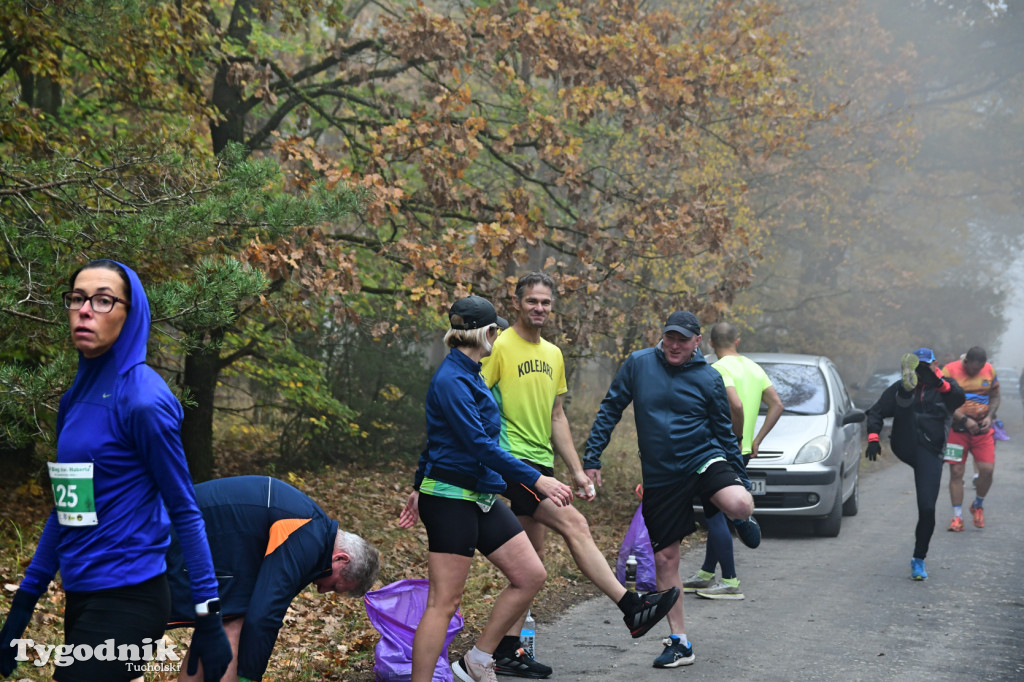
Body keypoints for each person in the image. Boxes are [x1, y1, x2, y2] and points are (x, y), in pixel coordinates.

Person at [0, 260, 232, 682]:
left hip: (131, 596)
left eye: (104, 300)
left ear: (131, 313)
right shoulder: (75, 399)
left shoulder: (143, 400)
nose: (85, 310)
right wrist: (23, 608)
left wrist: (209, 616)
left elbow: (185, 508)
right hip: (82, 594)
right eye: (77, 298)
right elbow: (67, 507)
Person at [481, 273, 679, 678]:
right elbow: (476, 402)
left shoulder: (553, 354)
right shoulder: (498, 346)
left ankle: (506, 650)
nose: (539, 308)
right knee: (575, 523)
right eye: (532, 301)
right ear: (516, 303)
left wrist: (576, 471)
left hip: (541, 463)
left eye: (546, 302)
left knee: (531, 565)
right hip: (511, 463)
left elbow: (556, 417)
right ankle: (632, 607)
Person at [398, 295, 575, 682]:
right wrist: (536, 478)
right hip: (449, 499)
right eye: (496, 328)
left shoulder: (471, 373)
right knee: (444, 603)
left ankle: (479, 657)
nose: (499, 333)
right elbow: (478, 445)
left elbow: (436, 438)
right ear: (487, 332)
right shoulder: (452, 379)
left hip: (479, 495)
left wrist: (415, 484)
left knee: (531, 574)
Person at [583, 311, 760, 669]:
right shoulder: (638, 364)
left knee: (740, 502)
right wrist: (592, 457)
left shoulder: (709, 379)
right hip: (661, 475)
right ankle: (679, 642)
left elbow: (725, 434)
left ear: (698, 342)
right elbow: (611, 408)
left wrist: (738, 474)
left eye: (683, 339)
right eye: (669, 338)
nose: (674, 345)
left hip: (702, 458)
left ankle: (737, 518)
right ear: (662, 336)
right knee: (666, 559)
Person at [165, 475, 381, 682]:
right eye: (334, 586)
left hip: (191, 530)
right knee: (235, 624)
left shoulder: (314, 531)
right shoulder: (308, 536)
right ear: (341, 558)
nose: (323, 591)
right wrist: (249, 676)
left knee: (222, 620)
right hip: (176, 532)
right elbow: (265, 613)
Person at [683, 322, 783, 600]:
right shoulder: (754, 368)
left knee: (715, 514)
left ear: (710, 344)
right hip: (743, 451)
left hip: (720, 450)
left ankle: (729, 580)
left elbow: (734, 404)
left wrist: (735, 436)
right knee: (720, 512)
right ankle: (705, 574)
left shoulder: (717, 369)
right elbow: (778, 404)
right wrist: (756, 439)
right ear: (737, 341)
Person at [864, 348, 964, 580]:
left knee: (927, 508)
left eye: (924, 366)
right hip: (905, 442)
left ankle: (918, 559)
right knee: (904, 398)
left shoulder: (947, 386)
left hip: (930, 450)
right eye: (916, 367)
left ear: (934, 364)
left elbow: (958, 398)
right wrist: (873, 438)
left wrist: (937, 382)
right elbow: (876, 412)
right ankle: (906, 394)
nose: (921, 371)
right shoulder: (902, 386)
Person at [942, 346, 1000, 531]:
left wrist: (990, 416)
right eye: (972, 369)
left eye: (978, 369)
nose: (975, 372)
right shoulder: (949, 371)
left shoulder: (989, 370)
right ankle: (957, 518)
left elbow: (995, 396)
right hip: (957, 430)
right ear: (965, 361)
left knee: (987, 470)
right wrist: (965, 420)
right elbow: (943, 401)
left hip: (982, 431)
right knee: (957, 472)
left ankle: (977, 505)